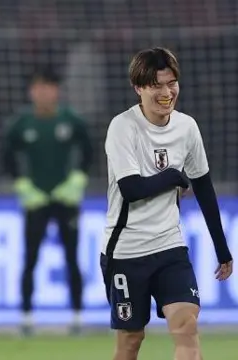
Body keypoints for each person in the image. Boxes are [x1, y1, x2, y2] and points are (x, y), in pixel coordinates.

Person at [102, 47, 233, 360]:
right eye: (156, 85)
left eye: (171, 83)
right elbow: (131, 188)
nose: (166, 92)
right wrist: (174, 175)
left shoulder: (187, 128)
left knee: (186, 326)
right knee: (131, 340)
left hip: (170, 247)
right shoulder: (123, 127)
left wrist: (222, 248)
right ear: (138, 88)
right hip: (126, 251)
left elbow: (203, 188)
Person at [2, 69, 92, 335]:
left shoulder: (72, 120)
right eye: (38, 88)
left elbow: (88, 152)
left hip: (66, 199)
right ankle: (27, 316)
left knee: (72, 257)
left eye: (48, 87)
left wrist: (77, 180)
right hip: (36, 200)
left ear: (57, 91)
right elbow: (7, 156)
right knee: (30, 257)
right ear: (31, 92)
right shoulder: (21, 123)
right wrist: (23, 184)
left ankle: (77, 316)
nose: (43, 93)